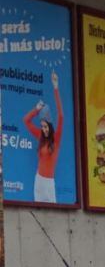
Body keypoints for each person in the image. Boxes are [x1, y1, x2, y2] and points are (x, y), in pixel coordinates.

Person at [22, 71, 63, 204]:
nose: (44, 129)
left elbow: (61, 116)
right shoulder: (40, 135)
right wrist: (37, 109)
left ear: (50, 126)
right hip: (38, 181)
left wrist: (56, 88)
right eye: (42, 126)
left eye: (45, 126)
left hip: (49, 183)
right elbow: (26, 120)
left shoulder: (56, 138)